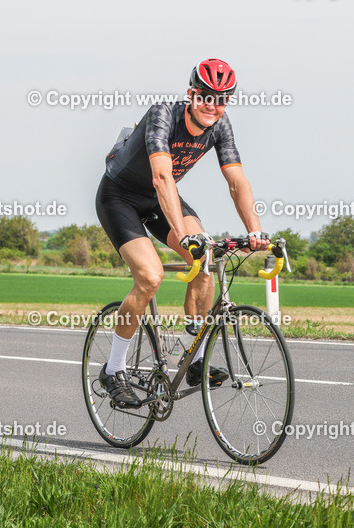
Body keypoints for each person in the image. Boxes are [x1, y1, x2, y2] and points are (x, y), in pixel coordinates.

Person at [95, 58, 270, 408]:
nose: (213, 105)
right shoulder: (164, 115)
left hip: (163, 198)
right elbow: (161, 177)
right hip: (121, 197)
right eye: (206, 96)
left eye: (222, 99)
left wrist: (256, 232)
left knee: (205, 260)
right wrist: (182, 233)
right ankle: (113, 369)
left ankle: (195, 358)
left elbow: (237, 182)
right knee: (150, 275)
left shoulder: (220, 126)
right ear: (191, 94)